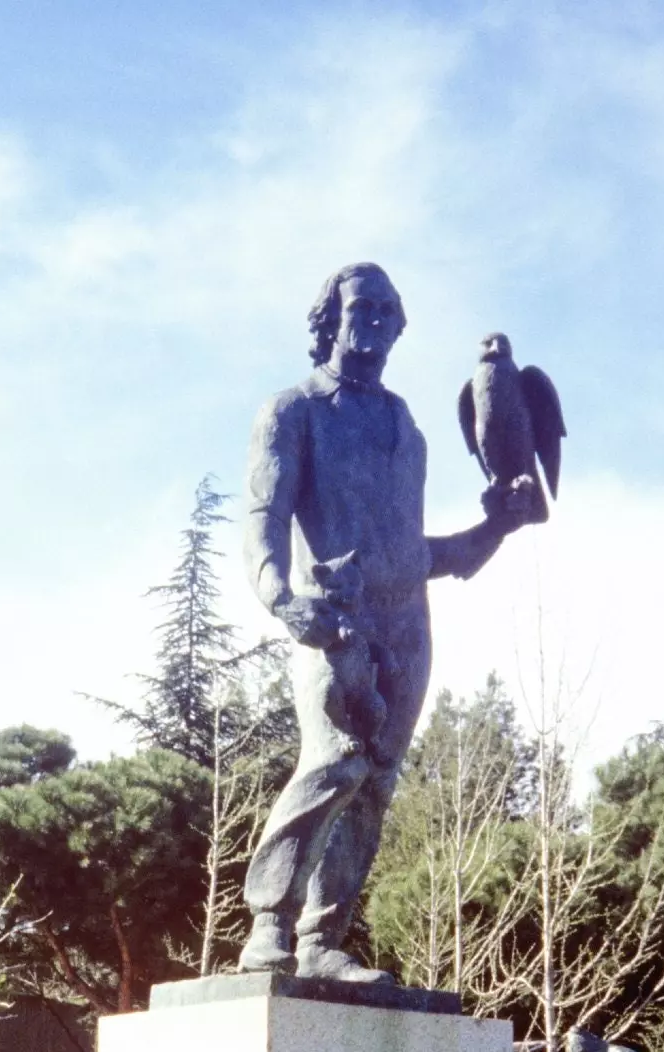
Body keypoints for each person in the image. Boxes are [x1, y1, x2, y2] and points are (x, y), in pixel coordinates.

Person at [237, 262, 533, 982]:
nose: (371, 321)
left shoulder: (406, 426)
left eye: (385, 311)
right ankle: (267, 923)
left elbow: (418, 552)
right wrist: (279, 598)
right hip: (335, 616)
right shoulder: (294, 409)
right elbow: (263, 517)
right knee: (333, 760)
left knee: (375, 780)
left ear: (399, 327)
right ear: (328, 320)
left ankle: (320, 941)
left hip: (408, 625)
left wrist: (496, 528)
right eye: (358, 307)